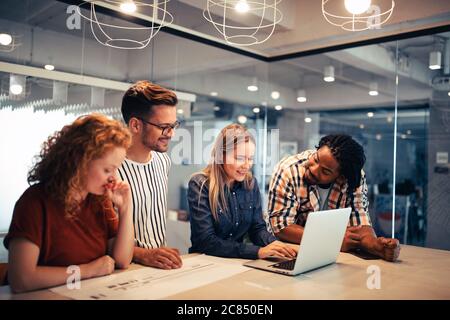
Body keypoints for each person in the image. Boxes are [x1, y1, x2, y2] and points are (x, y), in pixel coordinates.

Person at [4, 114, 134, 293]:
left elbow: (122, 260)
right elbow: (21, 279)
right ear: (80, 161)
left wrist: (126, 209)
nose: (113, 177)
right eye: (107, 169)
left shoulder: (99, 200)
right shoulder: (34, 202)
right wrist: (87, 271)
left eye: (116, 169)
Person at [268, 134, 401, 262]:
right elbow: (281, 227)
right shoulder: (288, 170)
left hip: (333, 258)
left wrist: (376, 246)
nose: (314, 169)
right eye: (315, 159)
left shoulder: (353, 178)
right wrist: (331, 240)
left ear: (341, 176)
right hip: (290, 253)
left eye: (325, 171)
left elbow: (360, 223)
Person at [188, 124, 297, 259]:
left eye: (250, 158)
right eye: (239, 158)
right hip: (204, 262)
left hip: (235, 262)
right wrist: (257, 252)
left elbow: (257, 229)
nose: (246, 165)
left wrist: (278, 246)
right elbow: (206, 241)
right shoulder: (200, 184)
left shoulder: (251, 184)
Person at [118, 81, 183, 270]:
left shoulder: (163, 162)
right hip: (122, 270)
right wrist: (143, 254)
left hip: (157, 268)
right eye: (164, 127)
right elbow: (98, 236)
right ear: (135, 125)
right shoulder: (110, 169)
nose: (170, 134)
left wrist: (156, 255)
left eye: (173, 125)